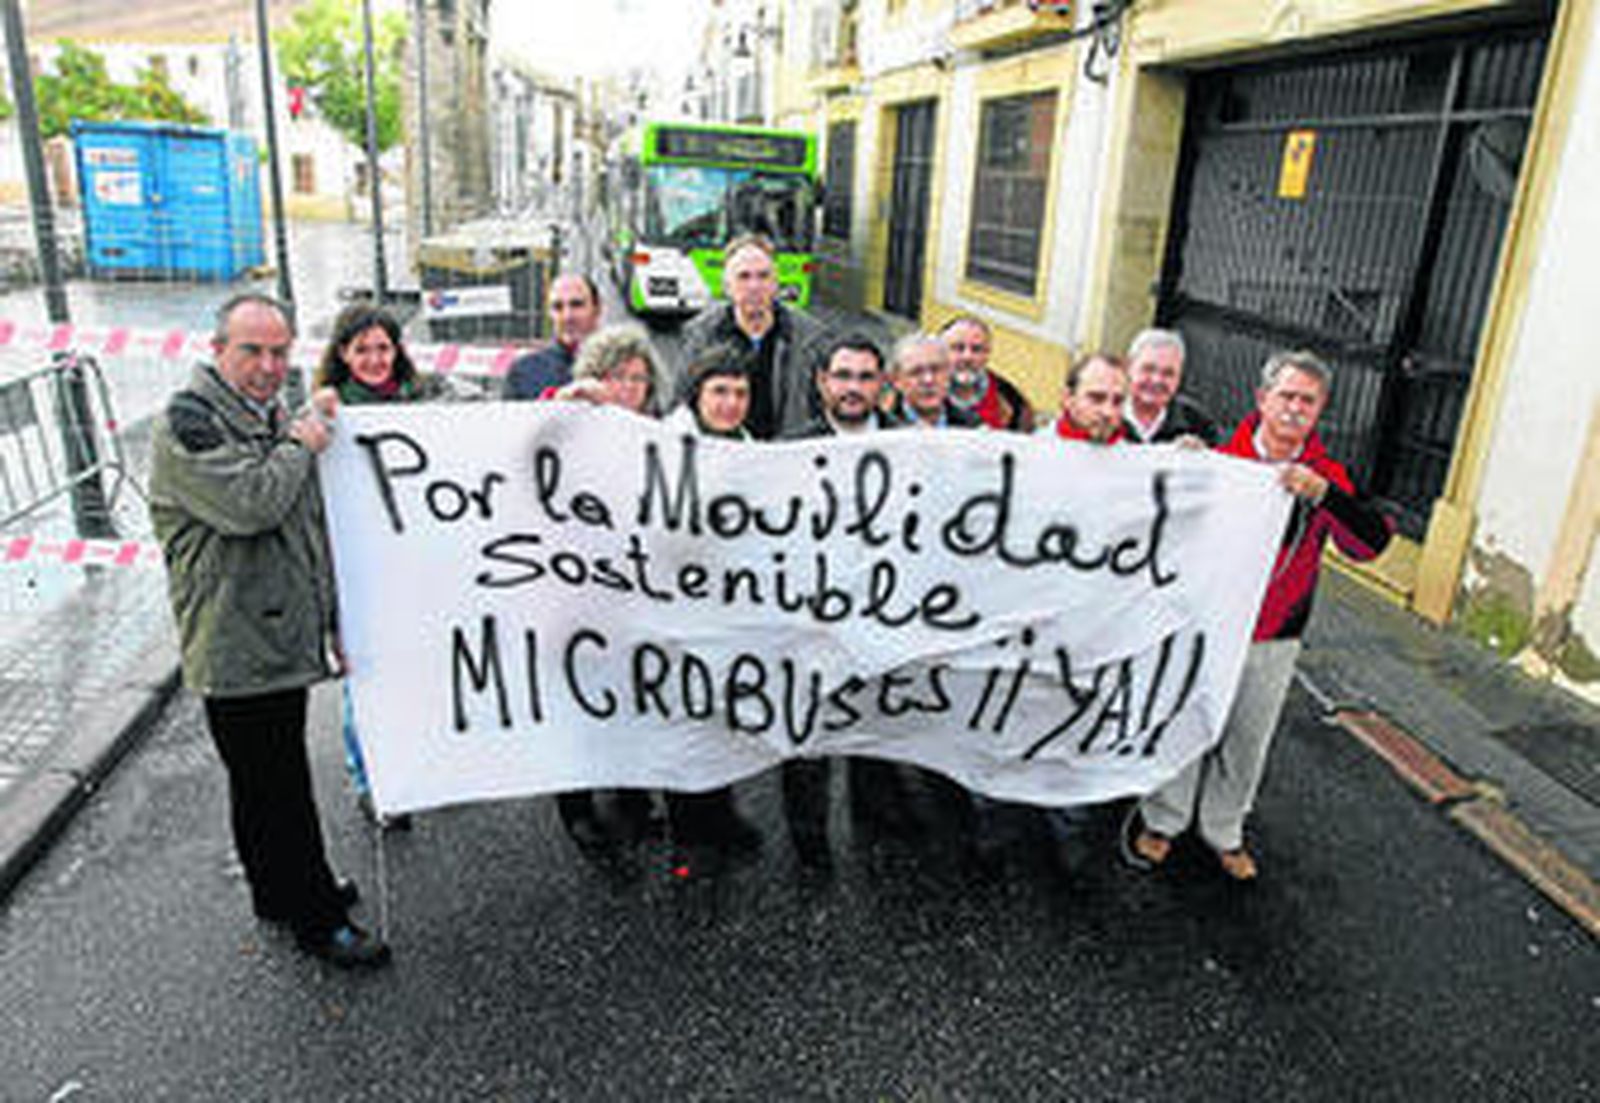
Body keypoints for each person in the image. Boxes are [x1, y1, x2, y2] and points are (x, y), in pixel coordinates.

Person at [148, 293, 389, 968]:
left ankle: (276, 891)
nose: (268, 365)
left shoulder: (265, 410)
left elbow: (306, 525)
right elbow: (252, 504)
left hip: (271, 633)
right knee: (279, 786)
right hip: (234, 640)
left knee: (259, 782)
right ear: (217, 348)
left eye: (280, 352)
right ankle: (319, 918)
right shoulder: (189, 423)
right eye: (252, 350)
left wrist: (334, 616)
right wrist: (300, 442)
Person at [1124, 349, 1393, 881]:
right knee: (1186, 721)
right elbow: (1158, 524)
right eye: (1286, 396)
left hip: (1275, 636)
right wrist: (1182, 466)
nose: (1295, 409)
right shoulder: (1221, 455)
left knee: (1247, 737)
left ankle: (1224, 830)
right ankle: (1163, 820)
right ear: (1262, 399)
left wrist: (1327, 497)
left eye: (1308, 401)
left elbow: (1370, 545)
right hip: (1204, 625)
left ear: (1320, 411)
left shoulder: (1329, 473)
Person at [311, 303, 455, 834]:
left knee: (421, 673)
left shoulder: (425, 396)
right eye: (361, 349)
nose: (374, 359)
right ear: (342, 355)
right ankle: (371, 783)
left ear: (398, 350)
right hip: (362, 576)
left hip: (419, 569)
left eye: (383, 348)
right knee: (363, 687)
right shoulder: (327, 413)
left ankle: (421, 768)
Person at [546, 325, 670, 857]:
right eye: (616, 377)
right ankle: (577, 809)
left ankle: (632, 796)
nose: (627, 389)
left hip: (636, 596)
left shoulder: (662, 435)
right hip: (574, 596)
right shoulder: (568, 425)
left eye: (638, 379)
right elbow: (528, 447)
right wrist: (566, 402)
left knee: (631, 697)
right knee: (577, 702)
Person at [777, 335, 899, 871]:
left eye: (866, 377)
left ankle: (875, 813)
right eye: (843, 376)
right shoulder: (790, 449)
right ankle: (809, 838)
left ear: (882, 385)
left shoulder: (911, 446)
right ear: (822, 382)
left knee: (876, 719)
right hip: (810, 622)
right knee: (808, 737)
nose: (853, 388)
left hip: (883, 614)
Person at [659, 344, 766, 872]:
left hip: (728, 612)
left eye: (741, 393)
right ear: (696, 393)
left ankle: (722, 813)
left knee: (723, 720)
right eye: (719, 391)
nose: (730, 403)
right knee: (683, 728)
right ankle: (689, 837)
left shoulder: (749, 447)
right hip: (677, 615)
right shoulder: (664, 445)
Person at [680, 233, 832, 440]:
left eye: (763, 276)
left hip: (786, 457)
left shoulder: (811, 337)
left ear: (776, 283)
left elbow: (825, 408)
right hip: (722, 455)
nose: (754, 287)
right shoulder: (699, 335)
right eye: (744, 277)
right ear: (726, 286)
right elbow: (682, 401)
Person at [504, 273, 603, 399]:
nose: (567, 316)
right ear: (549, 314)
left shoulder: (624, 368)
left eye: (576, 305)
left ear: (597, 309)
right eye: (558, 307)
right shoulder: (524, 372)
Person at [1121, 327, 1218, 445]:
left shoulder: (1199, 425)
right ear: (1128, 367)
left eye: (1168, 373)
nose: (1157, 380)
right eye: (1148, 369)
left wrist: (1201, 455)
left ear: (1179, 377)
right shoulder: (1104, 414)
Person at [939, 314, 1034, 431]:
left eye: (976, 349)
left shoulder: (1007, 396)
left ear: (987, 354)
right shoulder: (921, 391)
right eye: (958, 348)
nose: (967, 357)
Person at [886, 333, 981, 429]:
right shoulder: (881, 429)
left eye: (936, 369)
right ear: (896, 380)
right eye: (916, 372)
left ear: (949, 373)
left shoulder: (974, 427)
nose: (928, 380)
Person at [1049, 352, 1129, 444]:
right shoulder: (1035, 452)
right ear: (1068, 398)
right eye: (1097, 398)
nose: (1108, 412)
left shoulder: (1135, 455)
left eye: (1117, 402)